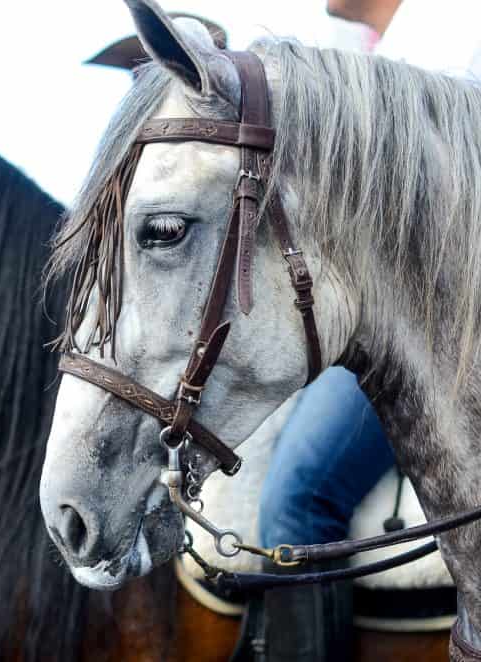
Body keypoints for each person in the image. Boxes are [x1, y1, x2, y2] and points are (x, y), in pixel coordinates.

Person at [250, 2, 481, 660]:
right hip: (362, 313)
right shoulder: (357, 42)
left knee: (297, 500)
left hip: (425, 328)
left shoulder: (454, 31)